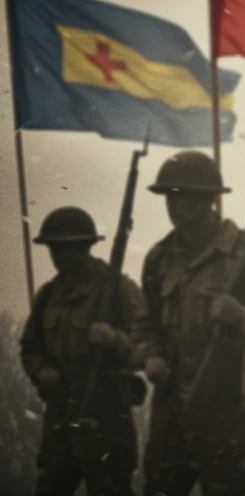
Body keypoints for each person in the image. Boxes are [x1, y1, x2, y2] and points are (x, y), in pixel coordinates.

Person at [133, 150, 245, 495]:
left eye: (184, 196)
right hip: (172, 408)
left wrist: (242, 318)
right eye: (169, 196)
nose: (174, 205)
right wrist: (150, 356)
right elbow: (143, 322)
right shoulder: (159, 258)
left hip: (229, 408)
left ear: (208, 199)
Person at [20, 206, 146, 496]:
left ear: (83, 247)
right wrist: (41, 371)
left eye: (63, 247)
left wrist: (116, 339)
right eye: (52, 247)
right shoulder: (49, 295)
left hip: (107, 419)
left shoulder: (118, 289)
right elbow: (30, 348)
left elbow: (146, 345)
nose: (55, 255)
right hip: (61, 420)